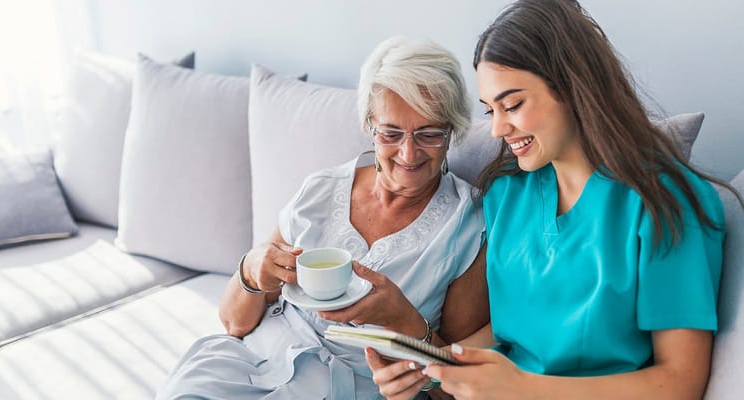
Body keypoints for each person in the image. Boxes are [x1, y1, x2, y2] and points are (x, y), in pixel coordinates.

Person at [368, 1, 740, 399]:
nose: (496, 129)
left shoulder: (664, 202)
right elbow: (511, 331)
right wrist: (427, 369)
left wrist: (525, 388)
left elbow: (680, 382)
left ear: (572, 87)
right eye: (490, 110)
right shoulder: (507, 193)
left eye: (511, 105)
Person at [156, 36, 490, 399]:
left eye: (429, 134)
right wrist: (252, 269)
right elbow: (234, 324)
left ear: (452, 130)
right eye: (391, 133)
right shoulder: (321, 189)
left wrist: (405, 322)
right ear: (369, 126)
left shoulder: (467, 226)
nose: (408, 154)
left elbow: (457, 391)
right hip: (253, 364)